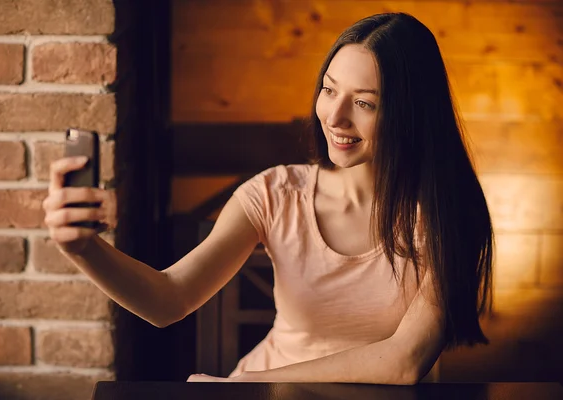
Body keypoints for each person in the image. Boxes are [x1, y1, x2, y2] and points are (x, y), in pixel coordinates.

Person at [42, 12, 493, 385]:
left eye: (366, 103)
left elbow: (405, 361)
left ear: (411, 115)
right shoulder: (274, 194)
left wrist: (241, 386)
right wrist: (82, 249)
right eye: (330, 89)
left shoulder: (450, 212)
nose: (334, 117)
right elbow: (169, 300)